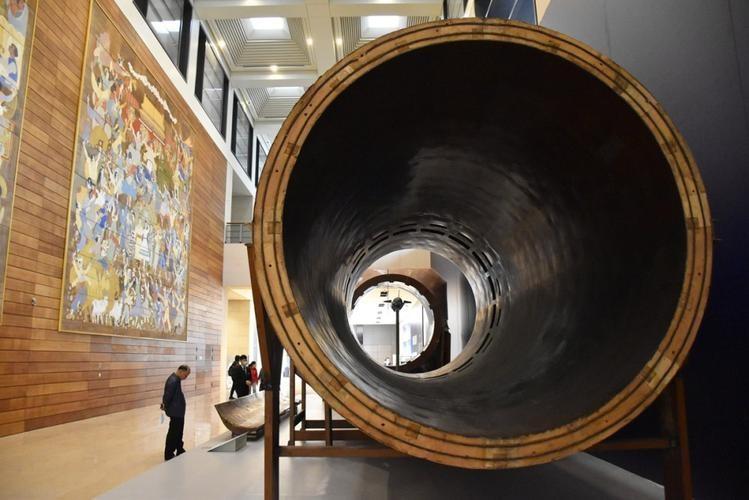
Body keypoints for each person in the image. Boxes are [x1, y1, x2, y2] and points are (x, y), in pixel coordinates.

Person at [161, 364, 190, 461]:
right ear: (181, 371)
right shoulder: (173, 381)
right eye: (185, 375)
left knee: (178, 431)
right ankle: (168, 453)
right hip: (175, 412)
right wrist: (164, 405)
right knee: (173, 433)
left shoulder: (176, 380)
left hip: (178, 411)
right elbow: (167, 396)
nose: (186, 377)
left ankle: (179, 448)